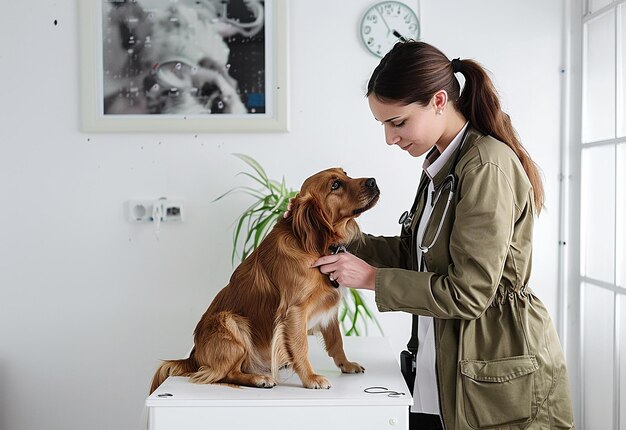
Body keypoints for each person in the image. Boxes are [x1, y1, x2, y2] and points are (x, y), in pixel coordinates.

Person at [311, 41, 575, 429]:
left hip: (498, 372)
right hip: (444, 368)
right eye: (383, 124)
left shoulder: (485, 167)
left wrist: (370, 278)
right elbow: (418, 254)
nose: (389, 138)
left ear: (438, 101)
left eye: (397, 122)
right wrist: (343, 237)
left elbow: (468, 292)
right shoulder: (440, 162)